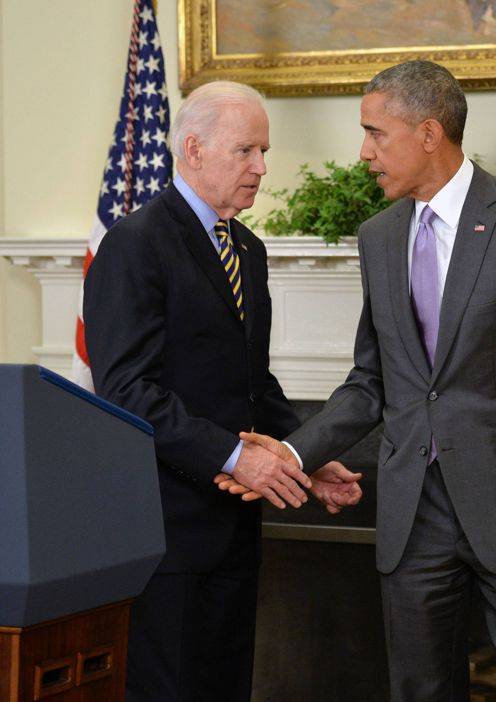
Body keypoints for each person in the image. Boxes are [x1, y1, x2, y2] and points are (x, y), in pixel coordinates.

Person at [224, 60, 496, 701]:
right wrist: (288, 457)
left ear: (429, 133)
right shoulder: (378, 236)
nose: (364, 152)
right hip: (412, 515)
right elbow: (372, 383)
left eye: (376, 133)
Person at [85, 80, 359, 702]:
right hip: (166, 532)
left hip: (234, 530)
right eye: (246, 151)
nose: (261, 168)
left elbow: (252, 381)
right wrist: (240, 459)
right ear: (192, 149)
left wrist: (303, 456)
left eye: (264, 151)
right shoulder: (136, 242)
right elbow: (126, 389)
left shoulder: (248, 249)